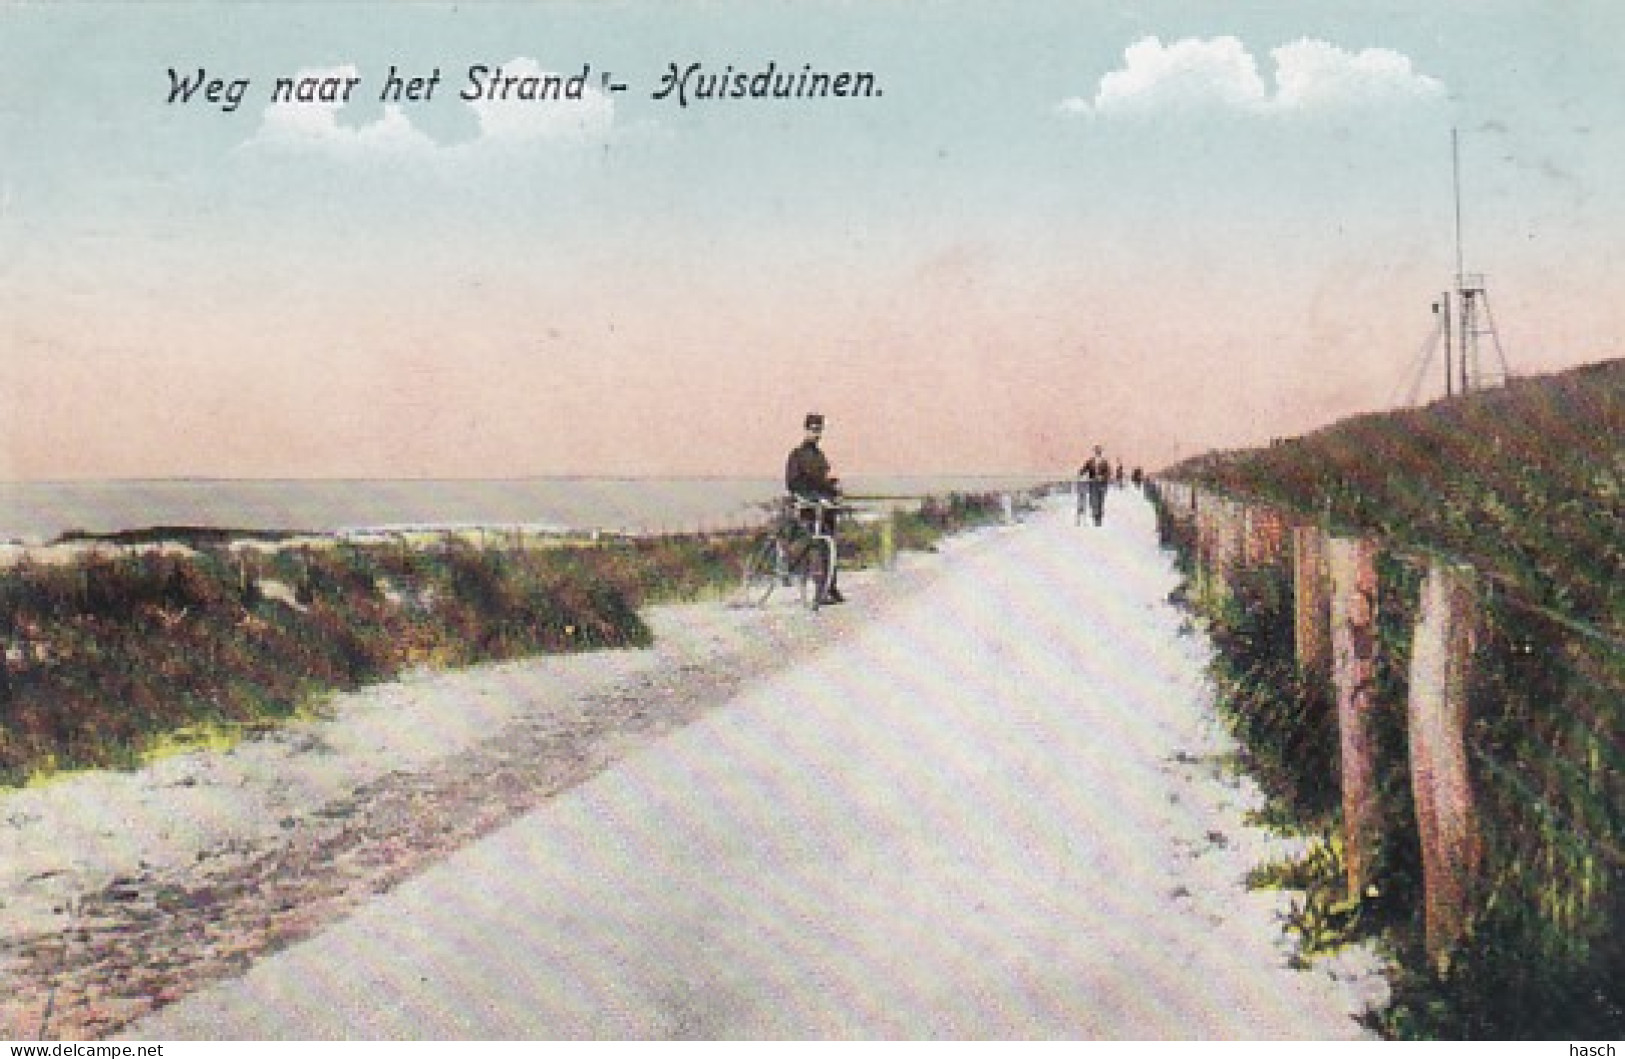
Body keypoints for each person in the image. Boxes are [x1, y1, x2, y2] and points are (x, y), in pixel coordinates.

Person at [785, 412, 845, 604]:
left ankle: (830, 587)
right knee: (814, 546)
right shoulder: (797, 455)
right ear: (806, 430)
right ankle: (816, 587)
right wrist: (808, 499)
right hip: (807, 506)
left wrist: (834, 489)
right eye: (813, 430)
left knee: (830, 544)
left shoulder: (820, 456)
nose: (816, 434)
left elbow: (823, 481)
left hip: (824, 507)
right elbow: (793, 483)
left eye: (819, 430)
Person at [1079, 444, 1110, 526]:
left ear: (1101, 452)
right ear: (1095, 452)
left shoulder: (1104, 462)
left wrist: (1102, 477)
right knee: (1093, 500)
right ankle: (1095, 516)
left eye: (1099, 451)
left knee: (1100, 500)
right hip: (1093, 484)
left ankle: (1099, 517)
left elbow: (1108, 473)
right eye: (1096, 451)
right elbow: (1083, 470)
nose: (1098, 452)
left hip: (1102, 484)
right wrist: (1081, 473)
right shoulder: (1090, 461)